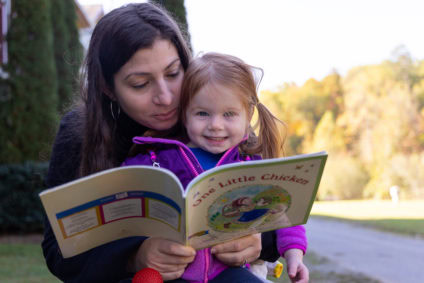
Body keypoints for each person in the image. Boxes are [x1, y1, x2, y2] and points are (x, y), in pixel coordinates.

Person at [42, 3, 281, 283]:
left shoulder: (215, 123)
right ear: (108, 88)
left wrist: (258, 241)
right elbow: (59, 252)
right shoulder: (78, 135)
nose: (165, 97)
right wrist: (135, 256)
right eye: (140, 84)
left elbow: (278, 217)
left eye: (172, 74)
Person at [122, 52, 309, 283]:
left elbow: (285, 213)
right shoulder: (158, 158)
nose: (216, 125)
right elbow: (121, 187)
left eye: (229, 114)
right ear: (184, 114)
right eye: (202, 113)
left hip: (228, 270)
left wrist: (294, 255)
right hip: (172, 272)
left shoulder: (251, 166)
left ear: (248, 114)